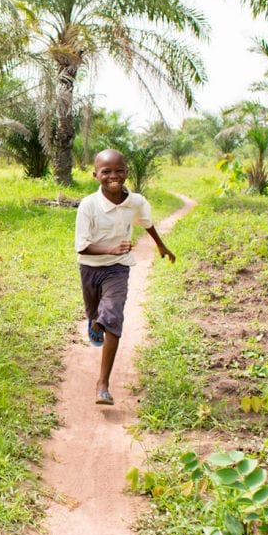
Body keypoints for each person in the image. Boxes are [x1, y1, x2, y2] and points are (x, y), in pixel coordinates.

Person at [75, 148, 175, 406]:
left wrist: (160, 245)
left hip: (118, 268)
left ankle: (103, 384)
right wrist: (109, 248)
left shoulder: (136, 202)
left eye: (119, 170)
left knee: (114, 317)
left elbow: (147, 222)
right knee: (96, 313)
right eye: (106, 171)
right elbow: (81, 245)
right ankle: (95, 319)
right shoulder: (88, 205)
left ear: (126, 172)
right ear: (95, 174)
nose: (113, 176)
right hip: (89, 266)